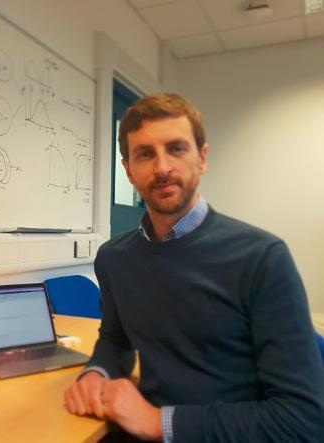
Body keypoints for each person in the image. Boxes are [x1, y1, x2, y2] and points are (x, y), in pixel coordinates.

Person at [64, 93, 324, 442]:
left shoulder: (262, 258)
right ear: (128, 170)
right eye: (145, 154)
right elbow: (115, 340)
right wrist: (96, 373)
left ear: (201, 158)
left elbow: (302, 419)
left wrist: (158, 422)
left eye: (176, 149)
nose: (162, 168)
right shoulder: (114, 258)